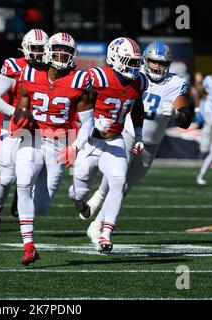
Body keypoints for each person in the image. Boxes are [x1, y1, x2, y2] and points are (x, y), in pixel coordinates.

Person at [84, 41, 192, 244]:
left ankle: (96, 225)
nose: (157, 67)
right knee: (117, 178)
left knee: (124, 188)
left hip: (151, 144)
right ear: (145, 61)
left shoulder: (176, 83)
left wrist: (177, 113)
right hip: (128, 133)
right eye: (153, 62)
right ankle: (98, 196)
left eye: (162, 63)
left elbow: (186, 120)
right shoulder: (135, 74)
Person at [13, 32, 93, 265]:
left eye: (66, 52)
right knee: (24, 182)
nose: (61, 55)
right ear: (48, 51)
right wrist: (20, 119)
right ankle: (29, 246)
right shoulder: (28, 74)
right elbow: (21, 106)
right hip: (34, 137)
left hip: (61, 140)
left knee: (43, 205)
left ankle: (72, 199)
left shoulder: (79, 81)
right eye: (57, 50)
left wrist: (76, 147)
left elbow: (88, 122)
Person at [68, 37, 147, 254]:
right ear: (114, 59)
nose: (134, 67)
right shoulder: (98, 77)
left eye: (135, 62)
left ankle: (105, 234)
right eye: (128, 61)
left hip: (115, 140)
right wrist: (92, 120)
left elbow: (138, 108)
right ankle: (82, 205)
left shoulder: (139, 82)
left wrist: (138, 136)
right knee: (77, 193)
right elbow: (75, 102)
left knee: (118, 183)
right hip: (91, 141)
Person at [0, 29, 49, 236]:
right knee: (5, 178)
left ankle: (23, 209)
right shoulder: (15, 66)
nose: (39, 53)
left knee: (33, 175)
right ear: (26, 48)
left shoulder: (53, 69)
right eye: (35, 49)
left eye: (43, 49)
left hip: (40, 130)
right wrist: (17, 113)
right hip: (13, 128)